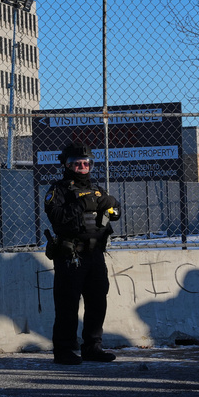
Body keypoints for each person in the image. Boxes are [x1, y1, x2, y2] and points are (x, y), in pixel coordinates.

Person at [44, 142, 121, 365]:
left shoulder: (98, 190)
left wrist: (113, 206)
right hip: (71, 255)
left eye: (86, 163)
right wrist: (80, 204)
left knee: (98, 302)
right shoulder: (58, 190)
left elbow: (114, 213)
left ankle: (92, 347)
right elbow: (56, 217)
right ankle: (64, 350)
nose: (82, 167)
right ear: (66, 165)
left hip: (95, 254)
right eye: (76, 164)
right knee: (67, 304)